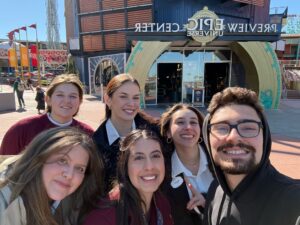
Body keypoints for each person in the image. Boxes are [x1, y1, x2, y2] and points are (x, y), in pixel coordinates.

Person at [202, 87, 300, 225]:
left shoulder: (293, 200)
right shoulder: (215, 189)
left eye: (248, 127)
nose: (234, 137)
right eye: (221, 128)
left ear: (264, 137)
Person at [0, 127, 104, 225]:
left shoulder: (76, 199)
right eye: (62, 160)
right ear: (39, 158)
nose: (69, 175)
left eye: (79, 168)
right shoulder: (5, 201)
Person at [83, 129, 174, 225]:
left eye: (155, 156)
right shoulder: (104, 217)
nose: (149, 166)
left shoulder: (161, 203)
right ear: (125, 166)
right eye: (139, 158)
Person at [93, 73, 159, 193]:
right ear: (108, 99)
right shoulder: (95, 144)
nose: (131, 103)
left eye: (135, 97)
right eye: (123, 96)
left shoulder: (155, 132)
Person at [0, 74, 94, 155]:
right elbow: (4, 168)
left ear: (80, 101)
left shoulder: (88, 133)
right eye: (60, 95)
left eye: (73, 96)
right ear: (48, 99)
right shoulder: (21, 130)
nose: (67, 101)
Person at [160, 103, 214, 225]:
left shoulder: (219, 160)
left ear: (200, 130)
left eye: (194, 122)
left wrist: (207, 202)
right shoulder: (163, 172)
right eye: (180, 122)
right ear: (168, 132)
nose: (188, 127)